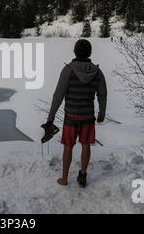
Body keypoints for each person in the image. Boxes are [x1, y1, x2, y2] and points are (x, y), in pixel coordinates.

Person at [42, 39, 107, 188]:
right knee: (86, 145)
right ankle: (82, 175)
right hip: (88, 116)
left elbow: (58, 96)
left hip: (71, 117)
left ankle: (64, 179)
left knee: (68, 147)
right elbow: (102, 94)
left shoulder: (68, 70)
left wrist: (50, 119)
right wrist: (101, 113)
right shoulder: (97, 72)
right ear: (90, 52)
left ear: (74, 51)